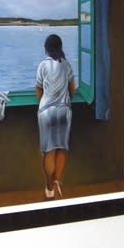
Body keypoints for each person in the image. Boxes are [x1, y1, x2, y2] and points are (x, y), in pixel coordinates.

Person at [35, 34, 76, 200]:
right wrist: (65, 100)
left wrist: (45, 102)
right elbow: (72, 88)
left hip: (46, 112)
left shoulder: (42, 65)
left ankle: (49, 188)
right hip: (64, 111)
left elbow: (38, 89)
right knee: (61, 148)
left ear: (46, 49)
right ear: (60, 48)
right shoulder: (66, 65)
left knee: (49, 151)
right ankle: (57, 180)